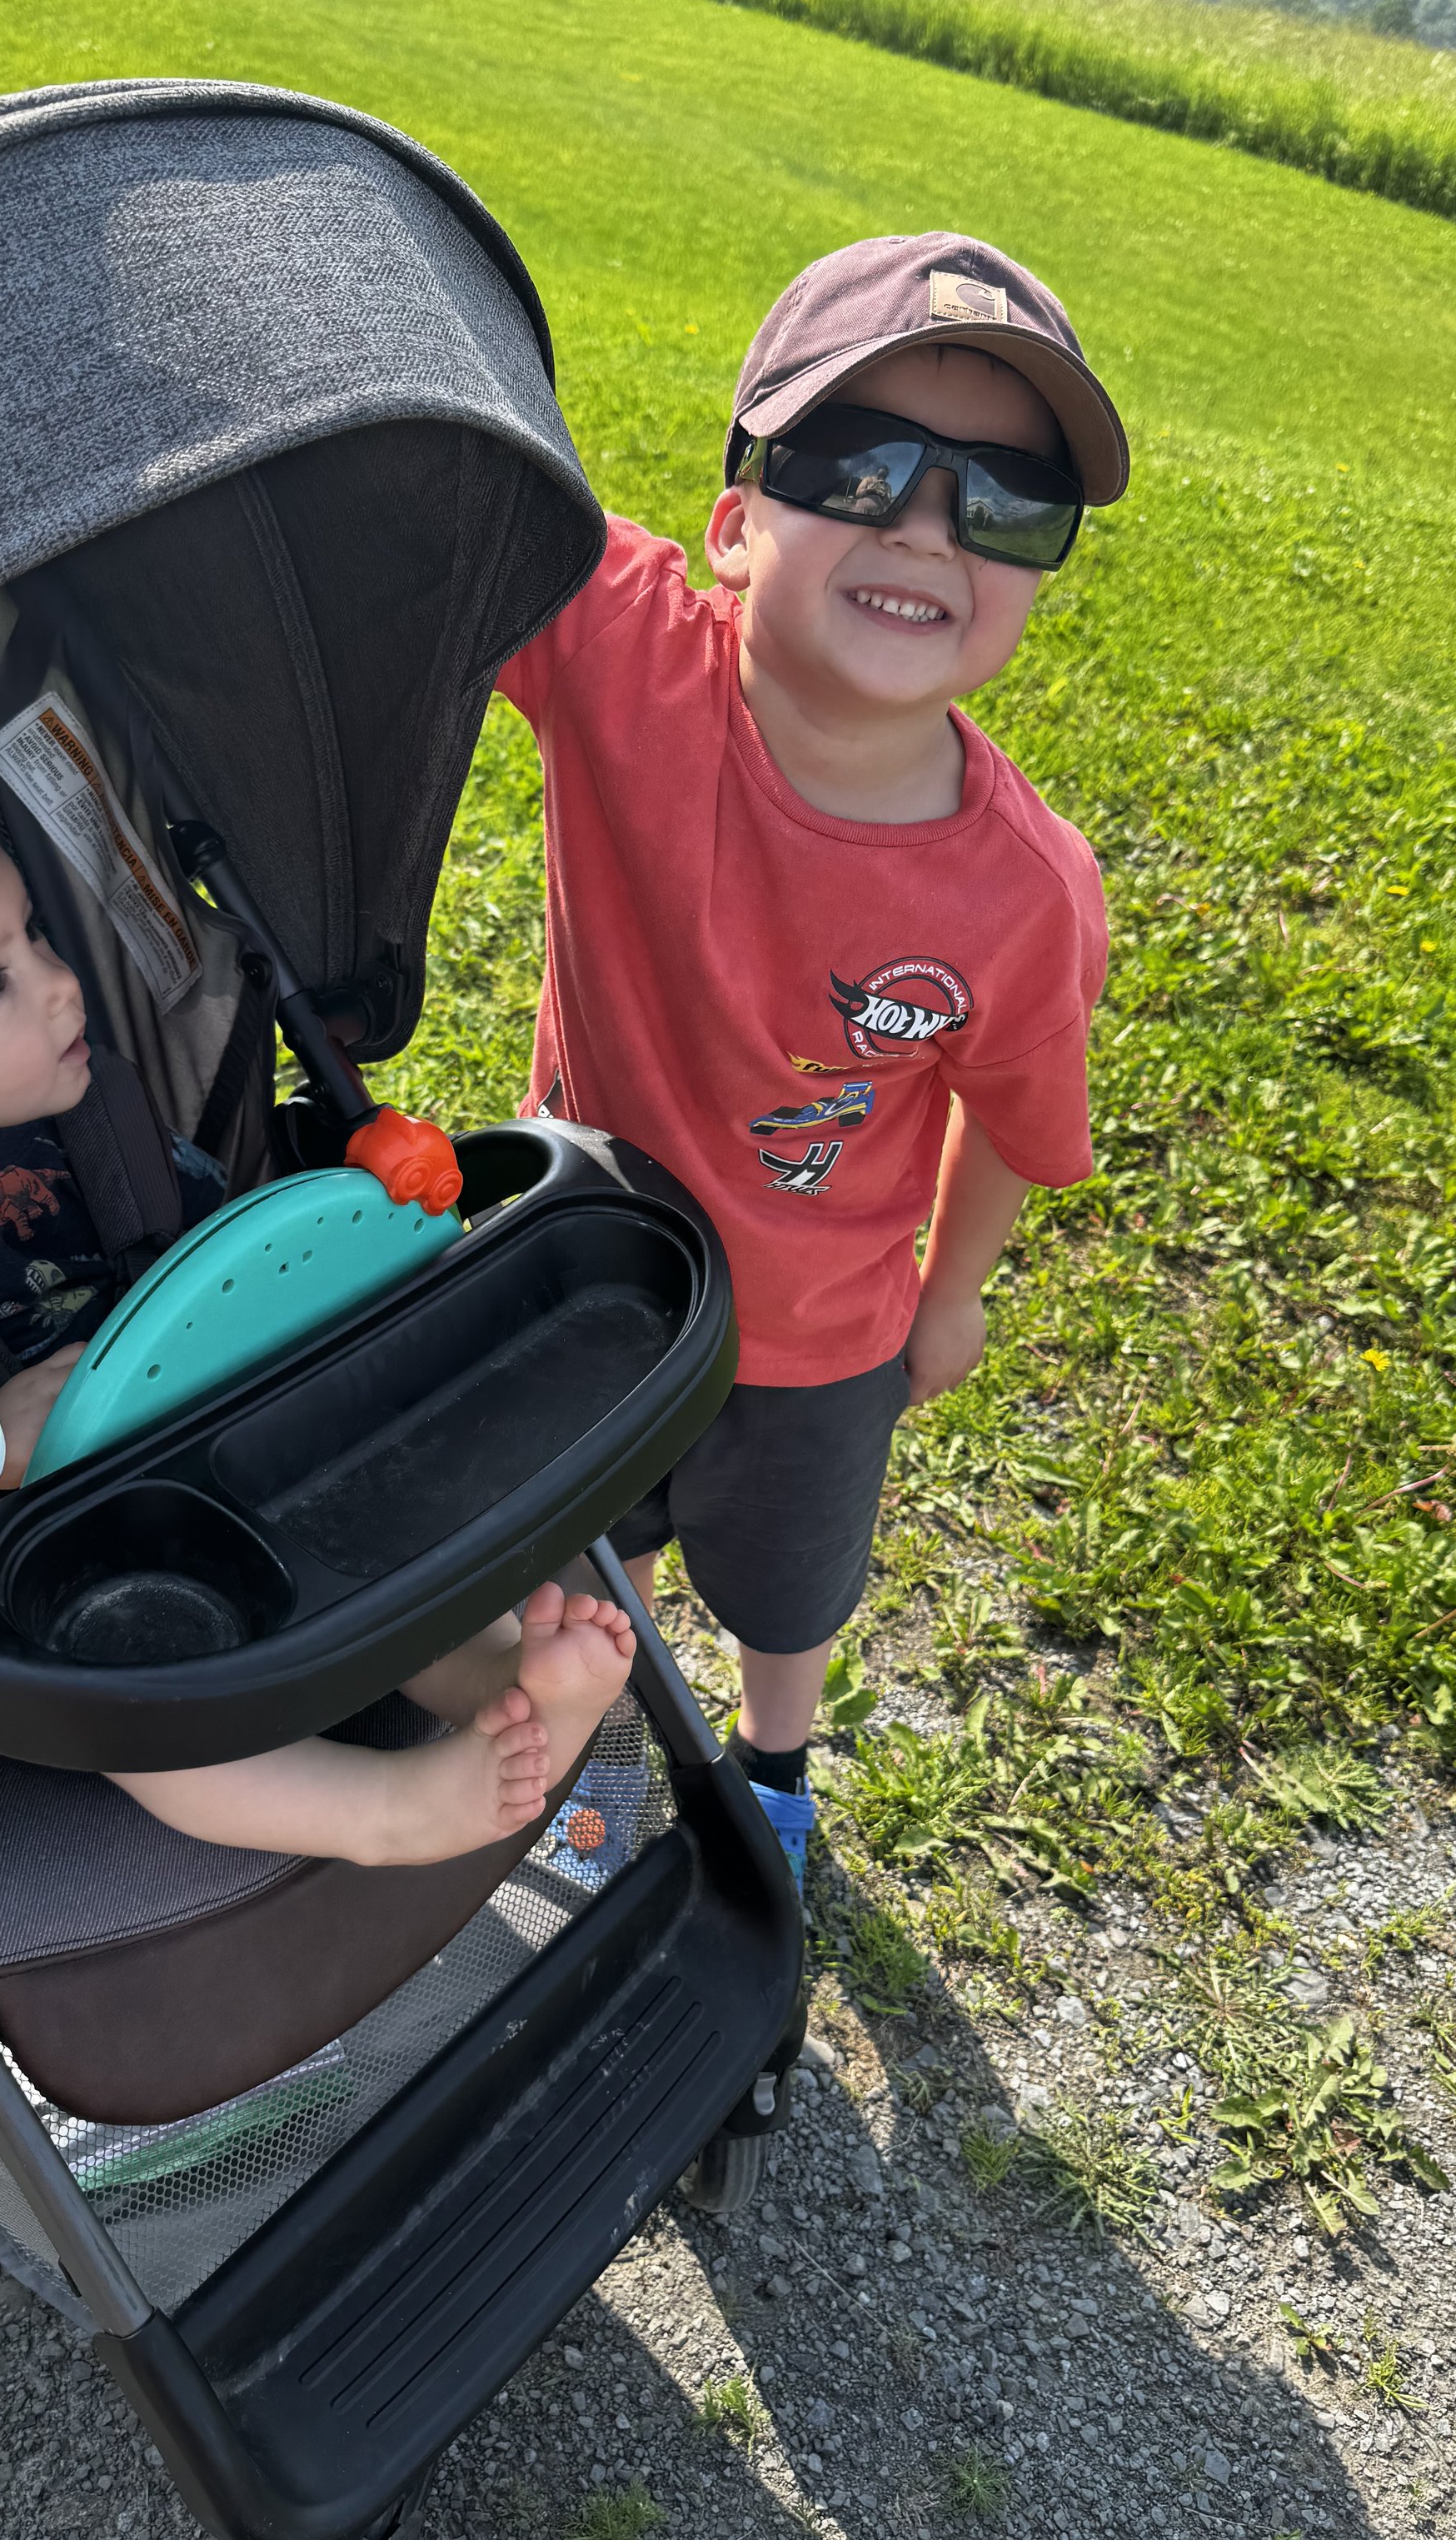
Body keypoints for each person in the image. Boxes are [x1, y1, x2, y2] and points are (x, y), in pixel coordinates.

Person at [0, 793, 632, 1866]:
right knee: (136, 1716)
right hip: (48, 1533)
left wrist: (353, 1230)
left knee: (372, 1522)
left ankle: (496, 1681)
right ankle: (383, 1813)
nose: (60, 981)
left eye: (33, 935)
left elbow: (231, 1248)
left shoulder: (97, 1119)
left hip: (217, 1437)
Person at [498, 232, 1127, 1884]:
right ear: (731, 520)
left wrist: (953, 1289)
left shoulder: (1026, 894)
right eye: (857, 465)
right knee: (570, 1548)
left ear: (1038, 571)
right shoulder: (608, 644)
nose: (926, 524)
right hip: (584, 1267)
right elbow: (441, 507)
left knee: (789, 1584)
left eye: (1004, 500)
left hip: (821, 1331)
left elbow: (1004, 1118)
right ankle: (592, 1733)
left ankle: (778, 1761)